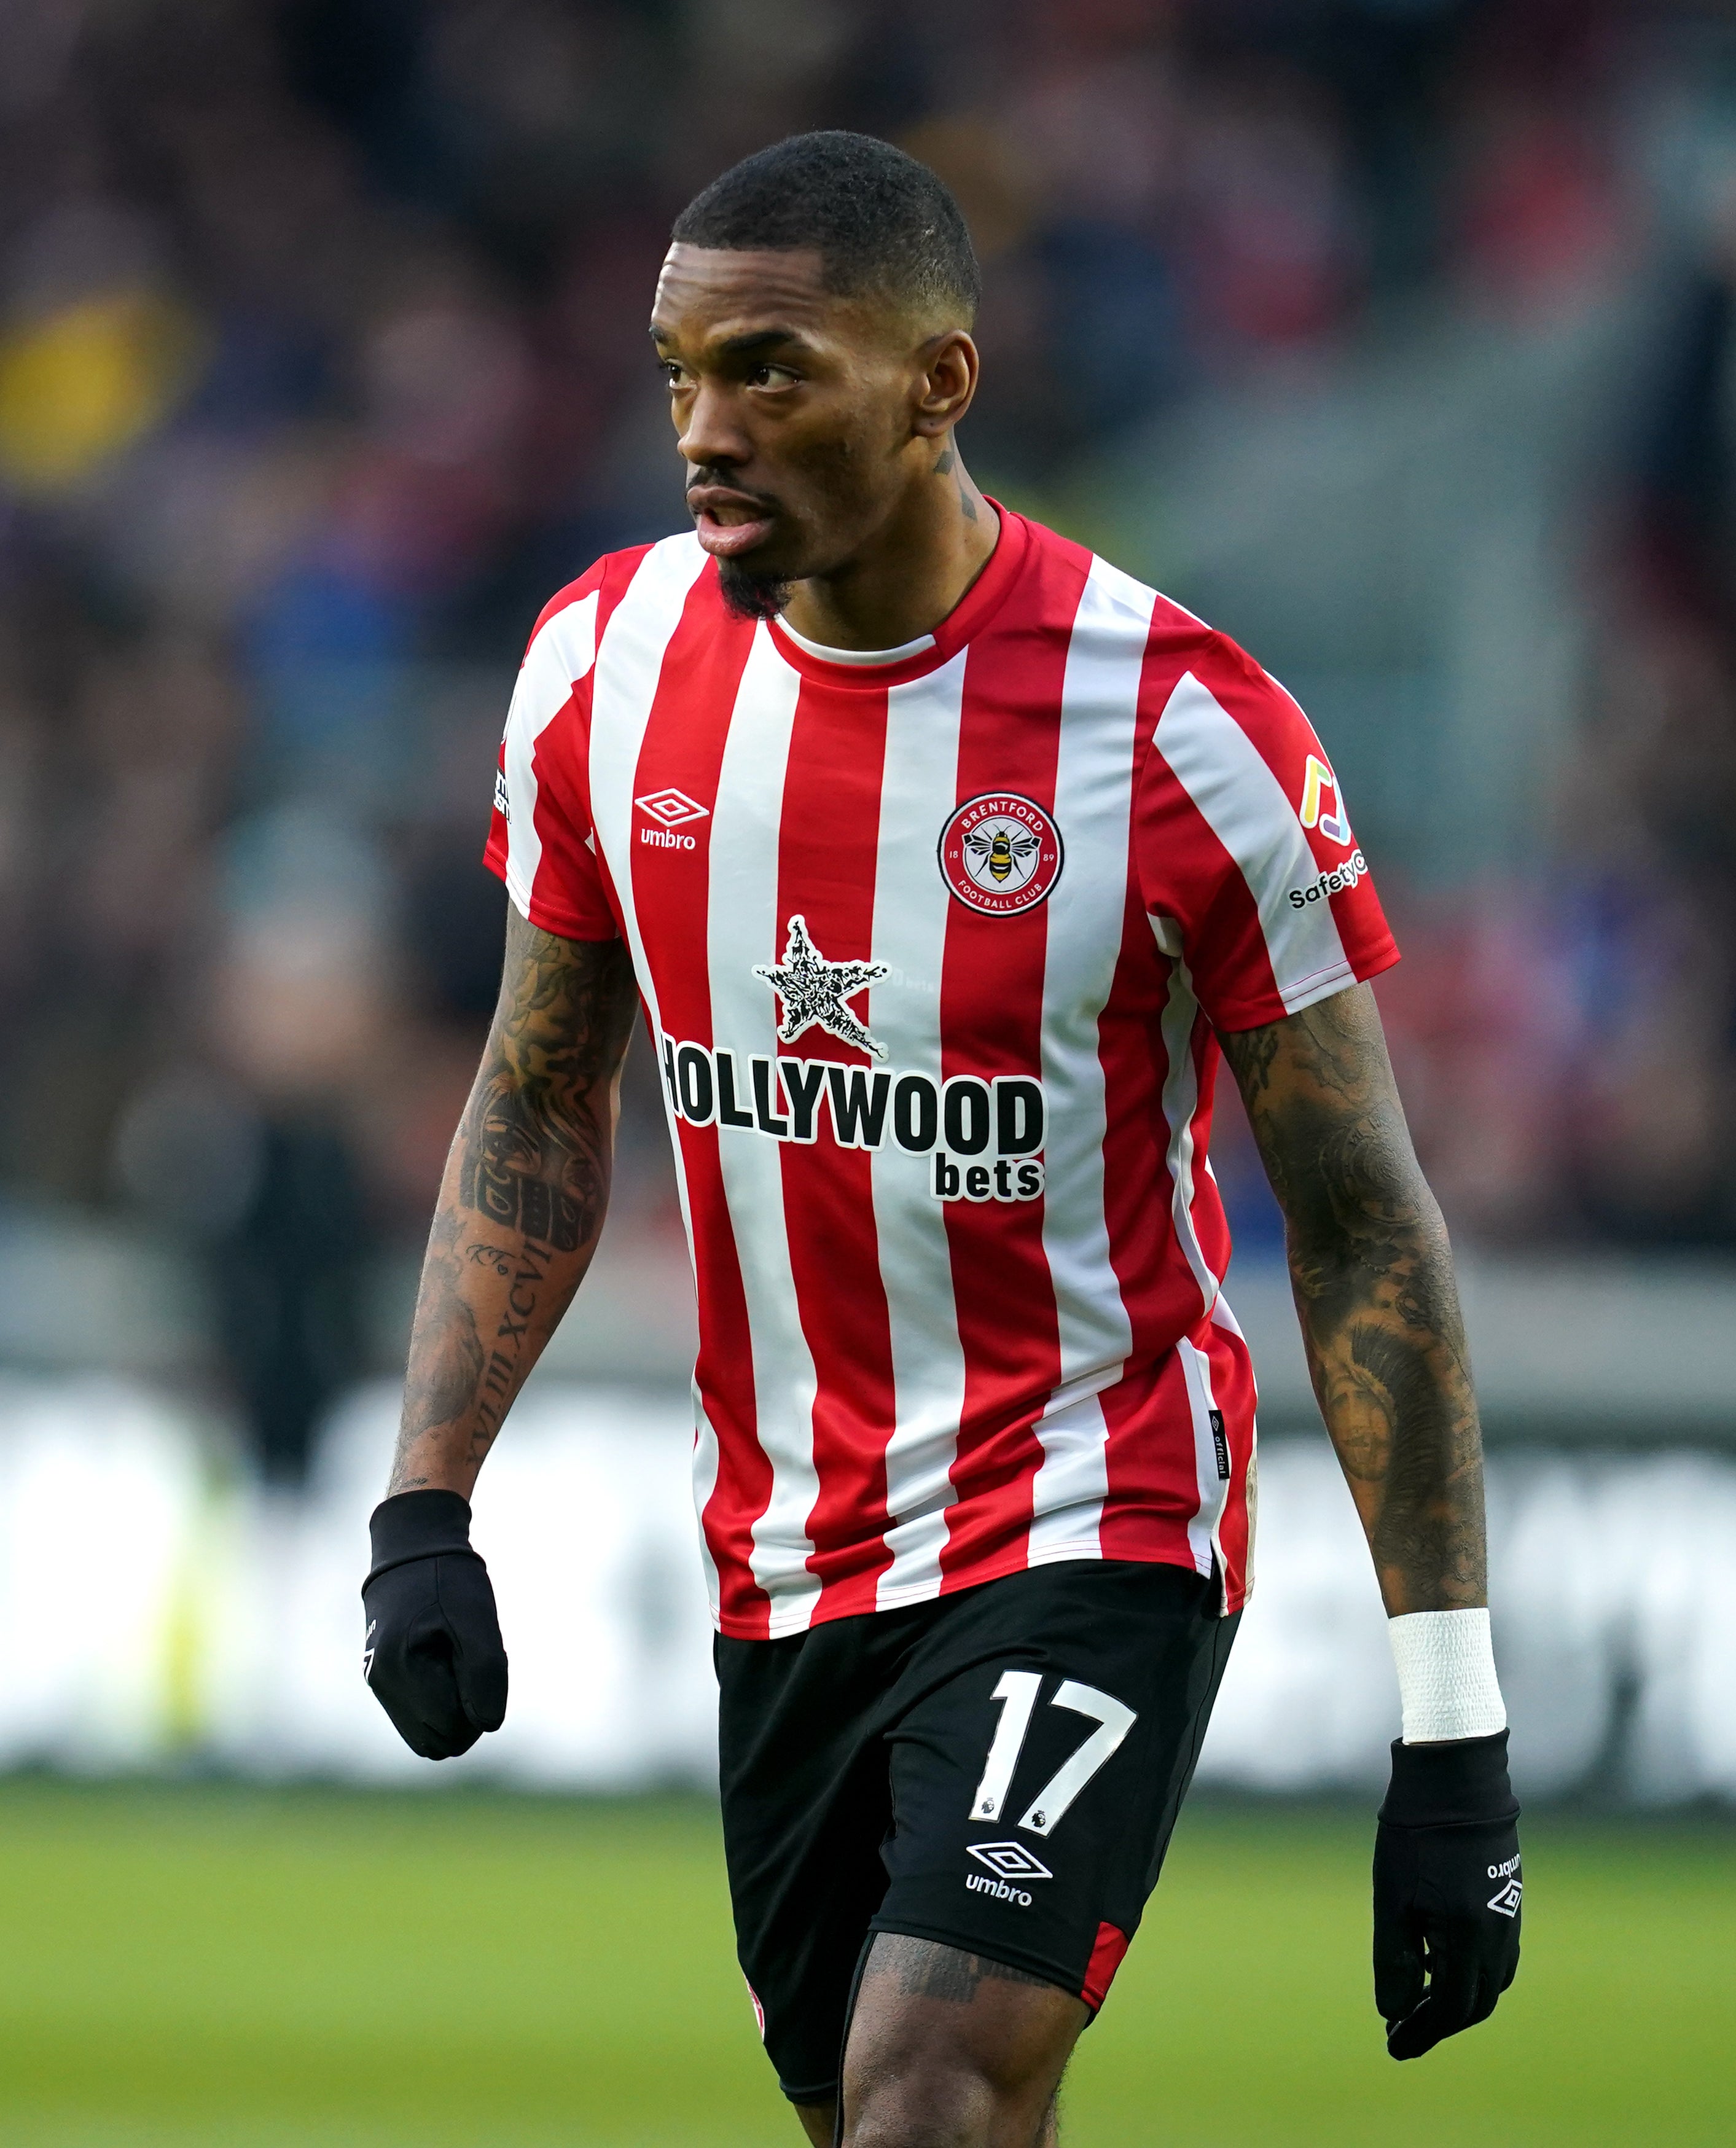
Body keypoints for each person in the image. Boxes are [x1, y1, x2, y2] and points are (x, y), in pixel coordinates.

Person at [359, 131, 1521, 2148]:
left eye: (770, 370)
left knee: (925, 2095)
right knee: (895, 2121)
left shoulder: (1178, 730)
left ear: (936, 384)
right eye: (674, 372)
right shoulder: (601, 672)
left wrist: (1451, 1734)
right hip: (784, 1560)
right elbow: (543, 1087)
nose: (703, 431)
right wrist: (422, 1508)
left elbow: (1362, 1224)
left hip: (1094, 1513)